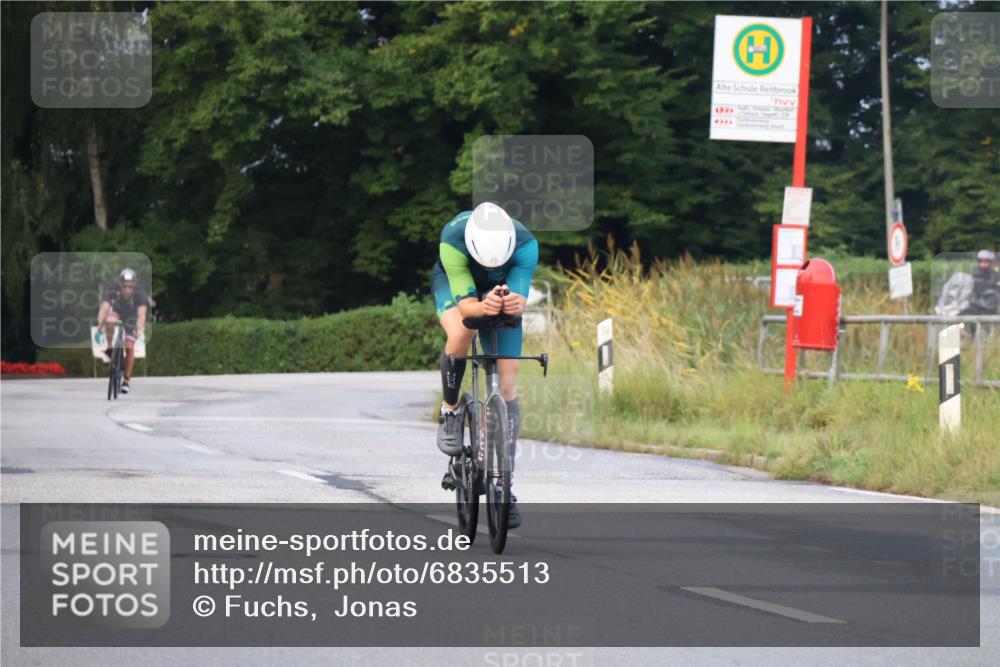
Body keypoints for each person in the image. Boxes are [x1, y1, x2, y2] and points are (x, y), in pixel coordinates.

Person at [430, 202, 539, 528]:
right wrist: (482, 305)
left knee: (507, 384)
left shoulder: (525, 244)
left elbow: (517, 306)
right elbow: (467, 309)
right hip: (456, 285)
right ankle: (450, 411)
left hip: (497, 286)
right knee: (463, 330)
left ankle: (505, 484)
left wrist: (513, 304)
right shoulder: (453, 239)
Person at [96, 268, 149, 395]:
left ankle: (126, 381)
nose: (127, 290)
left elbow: (142, 315)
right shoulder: (112, 290)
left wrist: (138, 328)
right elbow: (104, 309)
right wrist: (100, 326)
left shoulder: (140, 293)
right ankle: (109, 348)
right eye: (124, 286)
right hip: (117, 312)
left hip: (132, 317)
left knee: (129, 347)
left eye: (130, 287)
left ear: (134, 285)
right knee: (109, 320)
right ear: (120, 284)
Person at [966, 249, 1000, 316]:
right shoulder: (973, 275)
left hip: (991, 307)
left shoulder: (996, 276)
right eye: (980, 261)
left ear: (992, 262)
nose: (983, 263)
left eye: (986, 261)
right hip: (975, 306)